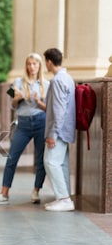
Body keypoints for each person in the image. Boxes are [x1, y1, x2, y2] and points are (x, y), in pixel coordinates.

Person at [0, 53, 49, 205]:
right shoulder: (16, 82)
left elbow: (49, 109)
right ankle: (4, 193)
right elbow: (12, 105)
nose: (31, 67)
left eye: (35, 64)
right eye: (29, 64)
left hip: (41, 122)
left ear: (39, 66)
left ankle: (36, 191)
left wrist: (37, 101)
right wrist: (17, 98)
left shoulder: (47, 85)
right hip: (23, 124)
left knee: (40, 159)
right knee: (11, 158)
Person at [42, 48, 76, 212]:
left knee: (51, 162)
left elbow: (59, 110)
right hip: (66, 129)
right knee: (61, 164)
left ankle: (64, 198)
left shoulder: (57, 80)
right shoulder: (67, 78)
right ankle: (63, 197)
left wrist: (52, 134)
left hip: (59, 131)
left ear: (49, 61)